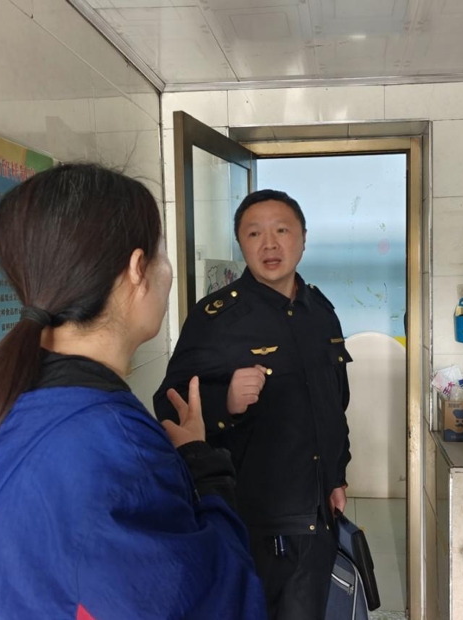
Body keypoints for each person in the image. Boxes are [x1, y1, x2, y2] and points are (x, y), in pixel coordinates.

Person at [0, 164, 266, 620]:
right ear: (137, 269)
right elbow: (227, 602)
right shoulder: (116, 451)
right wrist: (204, 470)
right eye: (161, 253)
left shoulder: (13, 404)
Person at [154, 189, 351, 620]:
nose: (269, 244)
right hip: (255, 519)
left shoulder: (321, 312)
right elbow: (169, 406)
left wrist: (336, 475)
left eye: (282, 230)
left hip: (318, 514)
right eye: (254, 233)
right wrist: (224, 401)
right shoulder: (216, 319)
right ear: (241, 244)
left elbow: (335, 404)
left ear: (303, 238)